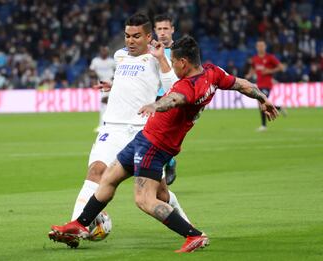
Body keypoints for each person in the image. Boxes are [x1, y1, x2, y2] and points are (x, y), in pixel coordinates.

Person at [49, 36, 279, 253]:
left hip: (156, 145)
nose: (171, 67)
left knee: (145, 199)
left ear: (183, 62)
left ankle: (194, 235)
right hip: (145, 138)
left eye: (173, 63)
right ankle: (80, 224)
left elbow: (175, 99)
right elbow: (242, 84)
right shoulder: (213, 73)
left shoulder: (188, 87)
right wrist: (263, 98)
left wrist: (156, 106)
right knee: (109, 177)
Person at [65, 13, 190, 247]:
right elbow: (132, 81)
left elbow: (173, 88)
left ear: (147, 37)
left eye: (135, 36)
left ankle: (190, 228)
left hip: (143, 132)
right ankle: (74, 228)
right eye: (126, 36)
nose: (130, 41)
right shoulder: (119, 55)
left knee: (160, 194)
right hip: (112, 128)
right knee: (96, 171)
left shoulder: (158, 58)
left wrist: (161, 59)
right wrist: (113, 85)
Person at [153, 13, 177, 185]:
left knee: (166, 136)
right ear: (154, 31)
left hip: (174, 97)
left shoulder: (180, 50)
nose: (162, 32)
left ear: (172, 30)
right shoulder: (150, 51)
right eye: (159, 29)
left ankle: (169, 162)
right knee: (153, 135)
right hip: (154, 97)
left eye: (165, 29)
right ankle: (164, 167)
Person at [245, 39, 285, 131]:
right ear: (256, 47)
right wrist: (249, 75)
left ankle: (264, 126)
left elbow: (281, 67)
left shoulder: (270, 57)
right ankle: (278, 108)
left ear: (265, 47)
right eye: (259, 46)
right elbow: (253, 69)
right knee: (262, 103)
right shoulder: (255, 59)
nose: (260, 48)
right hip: (258, 85)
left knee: (261, 102)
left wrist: (269, 71)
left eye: (262, 46)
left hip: (267, 85)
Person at [89, 46, 116, 132]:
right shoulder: (95, 61)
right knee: (104, 105)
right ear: (100, 52)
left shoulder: (111, 61)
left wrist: (113, 79)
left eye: (105, 51)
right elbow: (91, 71)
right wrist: (93, 78)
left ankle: (103, 125)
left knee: (104, 104)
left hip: (111, 85)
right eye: (102, 51)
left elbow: (117, 70)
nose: (104, 52)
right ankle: (105, 125)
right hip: (100, 85)